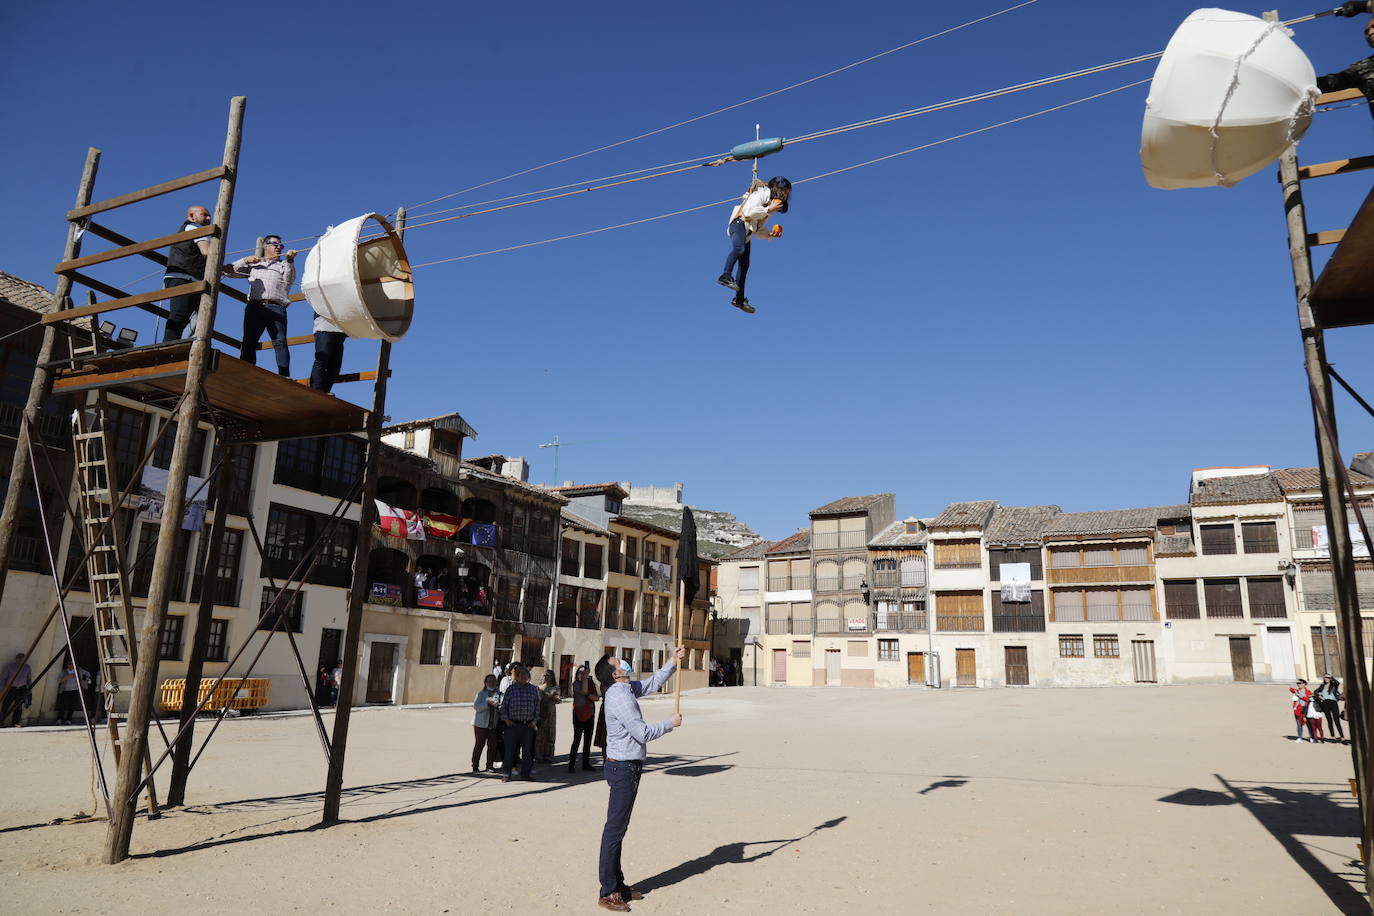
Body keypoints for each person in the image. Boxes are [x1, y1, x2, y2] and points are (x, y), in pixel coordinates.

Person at [596, 646, 684, 912]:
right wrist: (670, 723)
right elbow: (642, 733)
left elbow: (649, 684)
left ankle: (618, 884)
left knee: (619, 829)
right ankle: (608, 890)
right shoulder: (619, 698)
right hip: (622, 768)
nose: (623, 661)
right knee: (615, 829)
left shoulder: (624, 689)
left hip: (628, 766)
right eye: (618, 661)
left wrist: (672, 662)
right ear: (615, 674)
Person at [715, 175, 790, 314]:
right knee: (739, 248)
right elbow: (749, 212)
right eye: (785, 192)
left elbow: (757, 227)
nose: (785, 196)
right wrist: (768, 210)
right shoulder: (761, 195)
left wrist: (769, 234)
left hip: (747, 233)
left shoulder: (768, 206)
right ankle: (725, 276)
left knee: (744, 267)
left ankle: (739, 299)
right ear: (777, 189)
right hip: (738, 224)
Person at [227, 236, 298, 376]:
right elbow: (228, 272)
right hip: (255, 306)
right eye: (275, 244)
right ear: (265, 246)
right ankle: (245, 371)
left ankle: (284, 375)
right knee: (249, 341)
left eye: (280, 246)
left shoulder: (284, 265)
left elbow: (289, 281)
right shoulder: (253, 265)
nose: (278, 247)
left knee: (280, 342)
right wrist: (245, 260)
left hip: (276, 307)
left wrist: (290, 260)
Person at [162, 205, 214, 341]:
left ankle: (178, 345)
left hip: (188, 278)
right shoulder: (194, 227)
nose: (209, 218)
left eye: (209, 215)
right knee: (181, 314)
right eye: (204, 215)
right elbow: (207, 253)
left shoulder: (191, 229)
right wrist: (221, 265)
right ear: (192, 216)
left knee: (195, 318)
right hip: (184, 277)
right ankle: (167, 347)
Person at [1317, 4, 1374, 117]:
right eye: (1367, 31)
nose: (1370, 32)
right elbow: (1331, 82)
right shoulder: (1363, 68)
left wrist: (1361, 6)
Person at [499, 665, 541, 782]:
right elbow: (504, 707)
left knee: (527, 752)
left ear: (528, 676)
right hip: (512, 725)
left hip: (527, 726)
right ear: (517, 677)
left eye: (525, 674)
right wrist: (506, 720)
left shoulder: (533, 689)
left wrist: (534, 721)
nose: (523, 676)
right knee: (509, 751)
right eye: (520, 674)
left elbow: (537, 707)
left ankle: (525, 774)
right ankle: (506, 774)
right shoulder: (511, 689)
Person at [309, 304, 347, 393]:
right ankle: (316, 389)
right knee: (322, 359)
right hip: (324, 327)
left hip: (339, 330)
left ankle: (325, 391)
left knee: (335, 365)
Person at [569, 664, 599, 773]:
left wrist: (591, 696)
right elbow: (585, 691)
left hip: (590, 714)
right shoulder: (576, 684)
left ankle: (585, 764)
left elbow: (596, 697)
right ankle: (571, 764)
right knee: (576, 739)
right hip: (578, 714)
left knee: (587, 740)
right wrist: (586, 678)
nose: (583, 674)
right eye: (580, 673)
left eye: (584, 672)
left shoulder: (591, 683)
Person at [471, 674, 502, 773]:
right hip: (480, 724)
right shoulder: (481, 694)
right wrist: (487, 704)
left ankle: (489, 765)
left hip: (493, 724)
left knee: (492, 745)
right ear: (485, 683)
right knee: (479, 744)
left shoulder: (500, 694)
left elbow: (503, 706)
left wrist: (498, 705)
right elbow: (476, 707)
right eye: (489, 681)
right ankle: (475, 766)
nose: (491, 683)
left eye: (493, 681)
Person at [0, 652, 33, 728]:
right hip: (11, 688)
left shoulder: (27, 667)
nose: (21, 660)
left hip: (22, 689)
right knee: (5, 705)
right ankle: (1, 721)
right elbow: (3, 678)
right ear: (16, 659)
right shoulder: (9, 667)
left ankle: (15, 722)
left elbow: (29, 679)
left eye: (23, 659)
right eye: (20, 659)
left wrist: (29, 689)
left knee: (18, 706)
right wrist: (2, 689)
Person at [56, 657, 91, 726]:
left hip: (75, 690)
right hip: (65, 691)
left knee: (72, 706)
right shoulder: (64, 672)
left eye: (72, 664)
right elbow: (58, 680)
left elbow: (88, 674)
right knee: (63, 706)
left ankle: (68, 720)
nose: (71, 665)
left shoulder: (79, 670)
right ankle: (59, 719)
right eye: (69, 664)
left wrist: (82, 678)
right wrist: (67, 677)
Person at [537, 670, 561, 763]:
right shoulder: (539, 688)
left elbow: (558, 699)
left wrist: (549, 696)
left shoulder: (555, 688)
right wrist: (550, 696)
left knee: (550, 734)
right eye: (544, 675)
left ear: (552, 677)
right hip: (541, 712)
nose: (545, 677)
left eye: (548, 675)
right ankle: (539, 755)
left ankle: (549, 755)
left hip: (551, 713)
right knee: (540, 736)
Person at [1315, 674, 1344, 742]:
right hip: (1325, 703)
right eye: (1325, 677)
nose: (1326, 679)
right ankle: (1333, 737)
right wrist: (1319, 697)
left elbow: (1338, 682)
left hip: (1333, 703)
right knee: (1329, 720)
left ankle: (1342, 737)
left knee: (1337, 720)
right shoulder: (1322, 686)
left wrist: (1332, 678)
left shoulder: (1334, 685)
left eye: (1328, 677)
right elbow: (1315, 692)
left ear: (1330, 678)